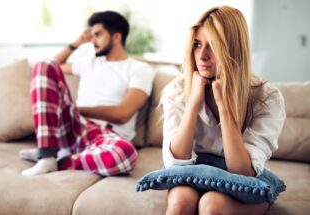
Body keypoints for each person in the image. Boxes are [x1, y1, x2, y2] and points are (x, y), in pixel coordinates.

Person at [161, 6, 285, 215]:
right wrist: (193, 103)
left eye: (213, 46)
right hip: (192, 171)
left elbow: (243, 173)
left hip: (243, 181)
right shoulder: (177, 90)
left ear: (233, 49)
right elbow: (176, 162)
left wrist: (224, 106)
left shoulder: (267, 97)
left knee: (211, 206)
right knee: (180, 204)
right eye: (197, 44)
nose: (202, 56)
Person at [19, 11, 155, 177]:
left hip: (106, 136)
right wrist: (76, 44)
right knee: (43, 64)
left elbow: (123, 114)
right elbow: (50, 68)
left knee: (124, 154)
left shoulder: (139, 69)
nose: (92, 41)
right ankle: (47, 154)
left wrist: (78, 109)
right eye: (91, 36)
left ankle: (59, 158)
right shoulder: (87, 63)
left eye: (98, 35)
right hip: (74, 126)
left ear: (117, 37)